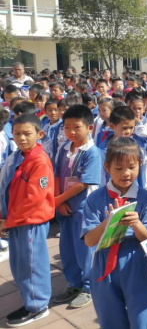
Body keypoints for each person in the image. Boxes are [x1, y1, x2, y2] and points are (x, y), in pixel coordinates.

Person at [81, 138, 147, 329]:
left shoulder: (146, 198)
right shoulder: (95, 198)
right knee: (110, 317)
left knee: (142, 318)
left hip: (136, 262)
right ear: (107, 167)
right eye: (119, 168)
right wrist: (108, 222)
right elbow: (89, 240)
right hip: (103, 263)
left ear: (140, 164)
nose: (126, 173)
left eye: (132, 166)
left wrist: (136, 223)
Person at [0, 115, 55, 326]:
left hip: (30, 222)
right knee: (19, 264)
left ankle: (38, 306)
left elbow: (34, 200)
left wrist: (8, 220)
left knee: (32, 265)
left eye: (27, 133)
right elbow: (6, 188)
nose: (21, 138)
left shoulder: (39, 161)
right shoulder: (18, 156)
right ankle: (30, 300)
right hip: (15, 220)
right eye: (17, 133)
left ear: (39, 134)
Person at [53, 105, 103, 309]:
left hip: (84, 207)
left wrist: (58, 200)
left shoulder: (92, 152)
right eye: (67, 127)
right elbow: (56, 174)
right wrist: (60, 200)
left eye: (76, 127)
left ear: (89, 127)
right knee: (67, 248)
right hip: (65, 206)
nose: (71, 132)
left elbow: (84, 183)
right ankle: (74, 284)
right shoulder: (64, 148)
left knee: (85, 249)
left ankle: (89, 287)